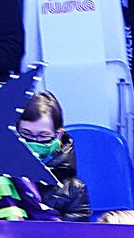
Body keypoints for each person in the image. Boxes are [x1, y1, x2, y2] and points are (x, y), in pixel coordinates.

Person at [12, 92, 88, 221]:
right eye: (25, 134)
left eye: (43, 136)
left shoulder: (74, 189)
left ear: (59, 135)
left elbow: (74, 237)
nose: (34, 142)